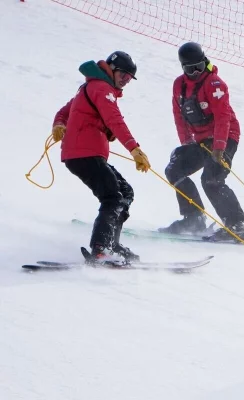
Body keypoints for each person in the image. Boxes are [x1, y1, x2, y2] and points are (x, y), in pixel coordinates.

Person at [51, 51, 151, 262]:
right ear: (111, 69)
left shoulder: (91, 87)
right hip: (84, 155)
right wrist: (135, 149)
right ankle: (101, 249)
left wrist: (59, 124)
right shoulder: (101, 88)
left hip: (86, 155)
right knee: (112, 197)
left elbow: (64, 112)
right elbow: (115, 120)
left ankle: (110, 243)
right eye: (123, 75)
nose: (124, 81)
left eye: (129, 79)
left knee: (125, 192)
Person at [160, 42, 244, 242]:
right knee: (175, 169)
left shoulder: (215, 84)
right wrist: (186, 142)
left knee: (211, 179)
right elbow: (179, 115)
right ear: (183, 67)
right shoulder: (179, 85)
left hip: (224, 136)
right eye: (190, 69)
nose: (196, 72)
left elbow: (223, 117)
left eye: (200, 66)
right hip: (200, 140)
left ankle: (236, 226)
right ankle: (193, 218)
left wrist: (219, 148)